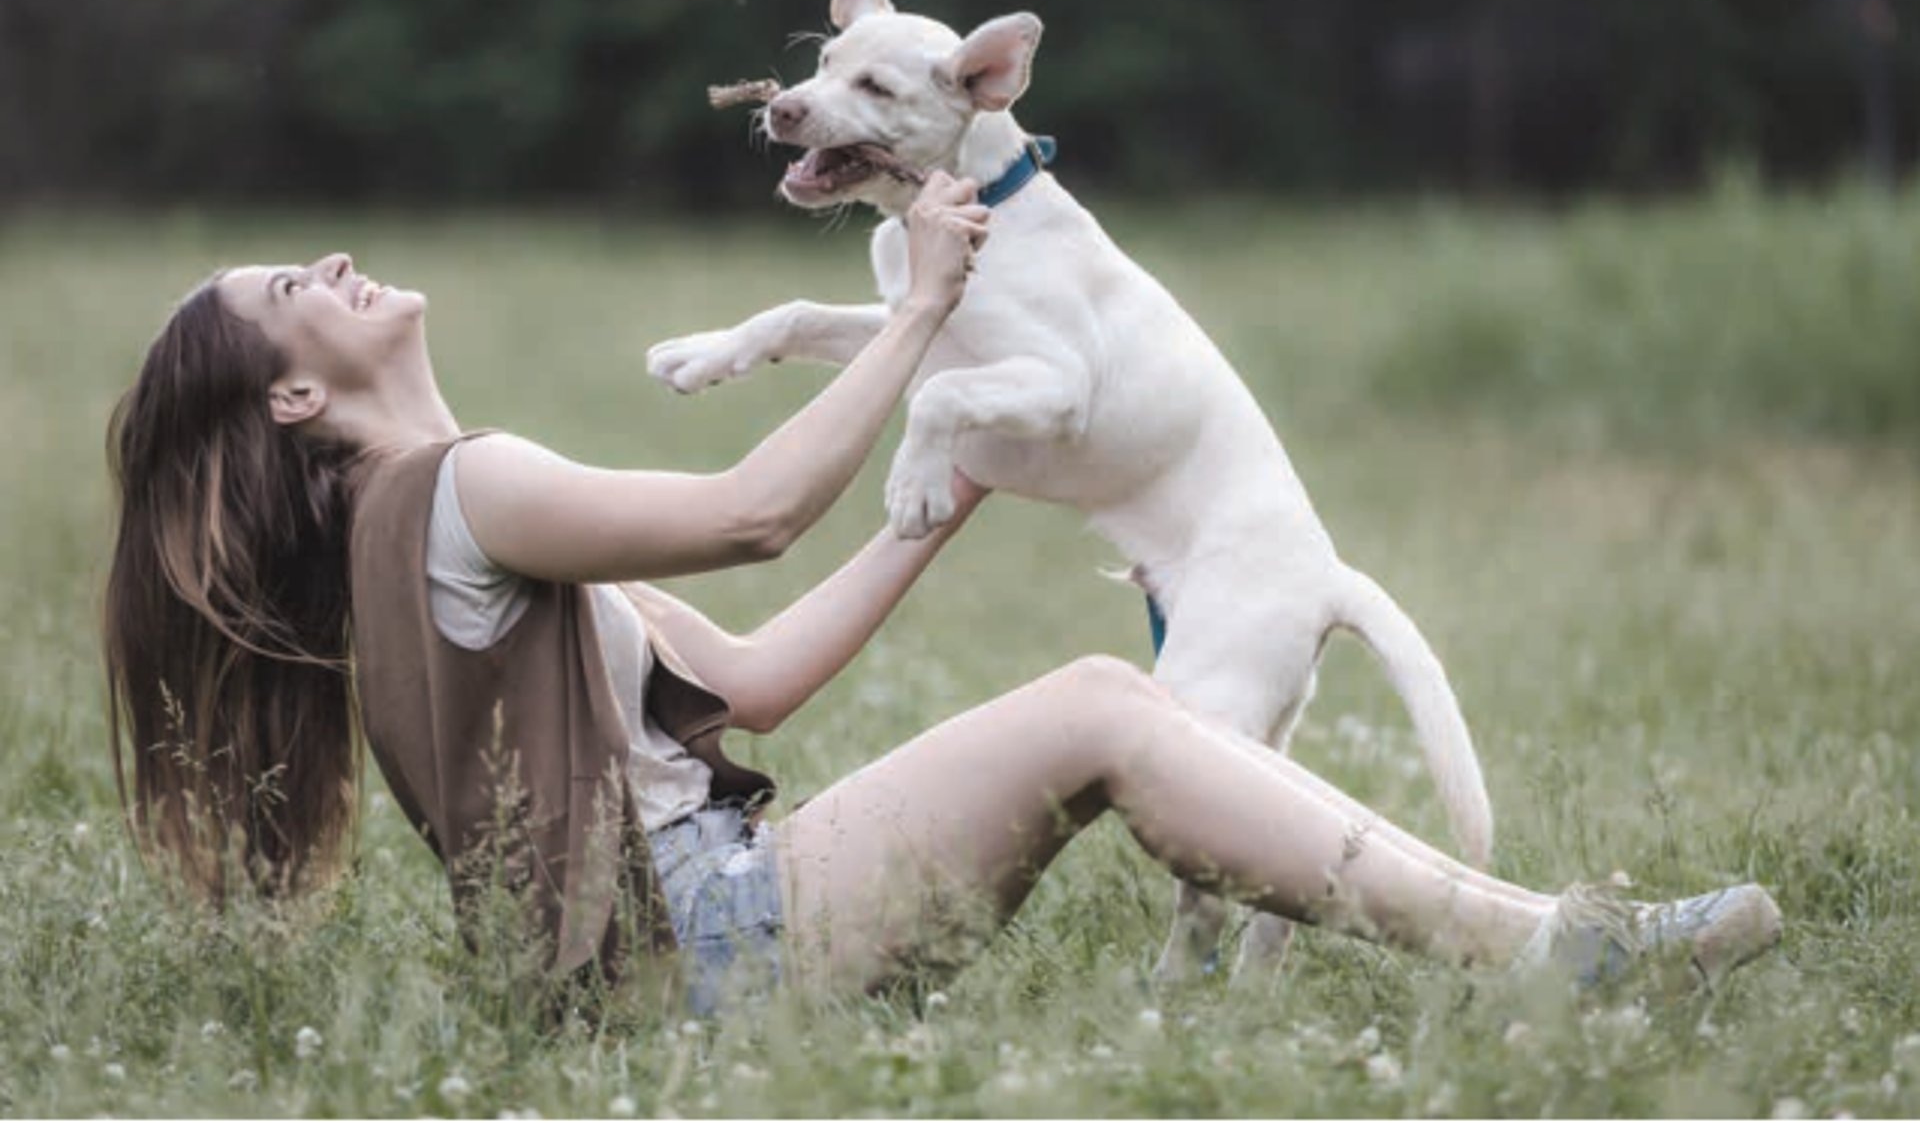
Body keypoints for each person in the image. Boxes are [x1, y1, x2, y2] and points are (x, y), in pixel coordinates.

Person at [104, 174, 1779, 1015]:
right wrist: (920, 313)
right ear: (294, 398)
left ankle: (1548, 936)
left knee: (1100, 709)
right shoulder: (463, 489)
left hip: (687, 960)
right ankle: (1553, 949)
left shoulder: (428, 531)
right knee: (1103, 708)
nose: (324, 263)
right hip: (711, 950)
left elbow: (748, 682)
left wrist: (945, 489)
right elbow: (752, 513)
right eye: (284, 290)